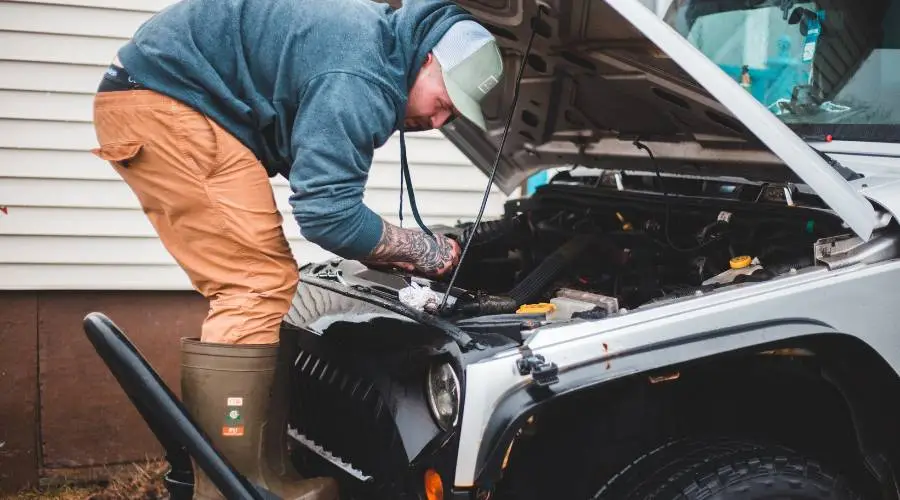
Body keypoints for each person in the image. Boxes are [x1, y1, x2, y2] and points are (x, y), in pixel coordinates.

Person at [89, 0, 504, 498]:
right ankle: (228, 488)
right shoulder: (364, 75)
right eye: (444, 99)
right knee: (253, 285)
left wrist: (383, 246)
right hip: (167, 104)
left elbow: (318, 183)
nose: (439, 120)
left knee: (263, 280)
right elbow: (327, 214)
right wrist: (424, 251)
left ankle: (265, 471)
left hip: (163, 96)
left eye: (454, 114)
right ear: (429, 59)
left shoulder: (374, 49)